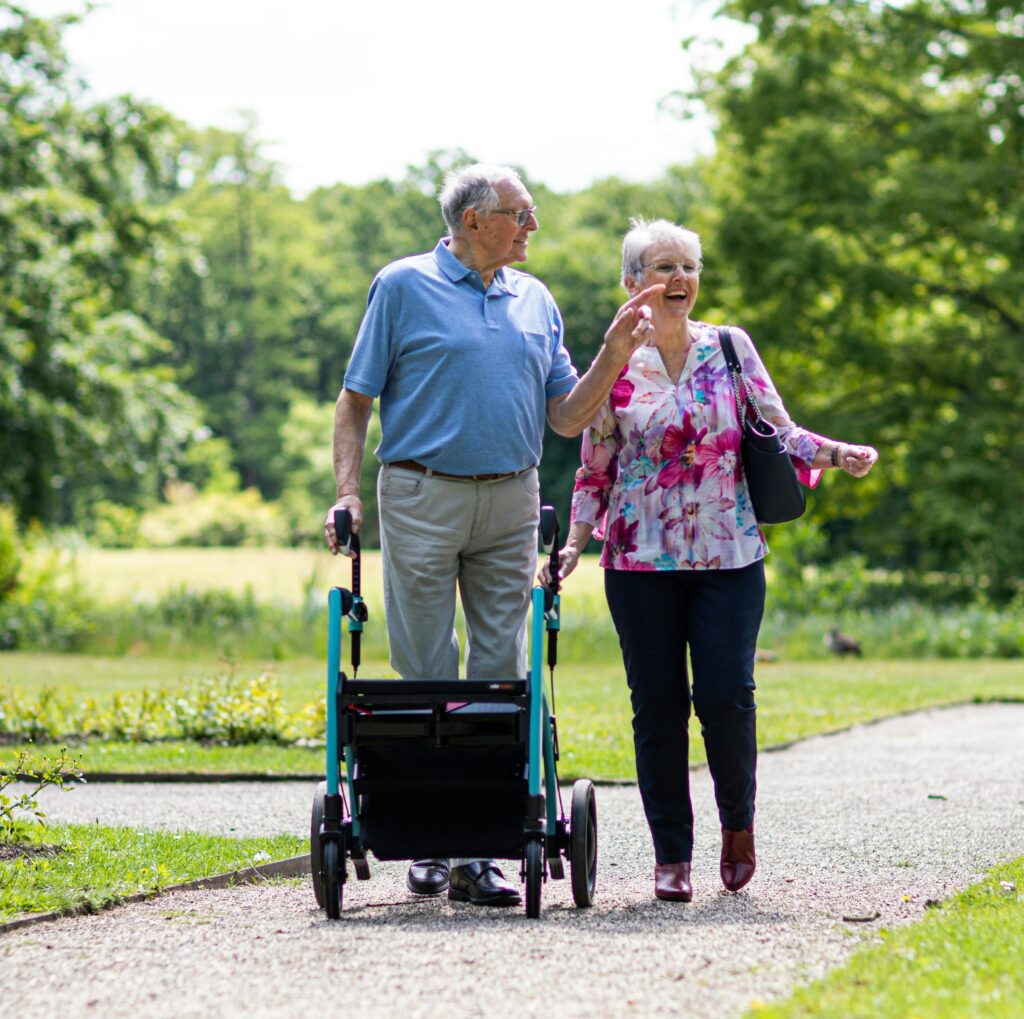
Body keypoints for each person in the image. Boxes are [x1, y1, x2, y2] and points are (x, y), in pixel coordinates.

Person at [323, 165, 663, 907]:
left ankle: (478, 850)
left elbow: (568, 418)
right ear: (475, 220)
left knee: (499, 672)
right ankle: (429, 838)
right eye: (521, 213)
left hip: (512, 497)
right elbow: (354, 402)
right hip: (418, 492)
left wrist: (611, 351)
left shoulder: (534, 299)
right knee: (425, 669)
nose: (532, 226)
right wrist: (347, 492)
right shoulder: (402, 285)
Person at [541, 218, 878, 902]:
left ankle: (737, 825)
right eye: (663, 267)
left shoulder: (728, 347)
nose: (680, 279)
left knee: (725, 694)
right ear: (632, 284)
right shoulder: (614, 364)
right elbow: (594, 465)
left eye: (688, 267)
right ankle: (671, 852)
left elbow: (778, 430)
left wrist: (835, 453)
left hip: (729, 552)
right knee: (656, 705)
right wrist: (575, 542)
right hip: (638, 561)